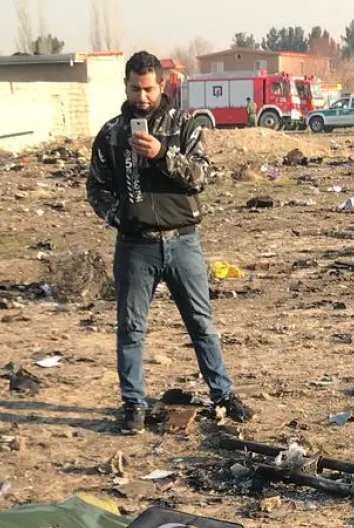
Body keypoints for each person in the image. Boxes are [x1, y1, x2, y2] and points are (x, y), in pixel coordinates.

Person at [88, 51, 253, 435]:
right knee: (131, 328)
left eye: (148, 89)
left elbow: (199, 178)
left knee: (201, 323)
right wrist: (120, 216)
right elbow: (96, 188)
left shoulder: (185, 126)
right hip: (135, 246)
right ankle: (133, 404)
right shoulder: (111, 133)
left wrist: (162, 155)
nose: (141, 97)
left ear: (161, 86)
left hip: (183, 243)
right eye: (134, 88)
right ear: (126, 86)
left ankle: (223, 395)